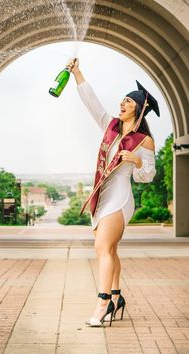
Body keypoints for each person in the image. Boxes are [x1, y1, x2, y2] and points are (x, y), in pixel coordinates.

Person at [67, 58, 159, 327]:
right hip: (101, 196)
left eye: (129, 102)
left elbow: (147, 177)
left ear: (140, 110)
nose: (122, 103)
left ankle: (103, 303)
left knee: (102, 248)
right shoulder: (110, 126)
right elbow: (92, 102)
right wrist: (78, 73)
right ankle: (117, 296)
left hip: (120, 199)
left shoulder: (144, 141)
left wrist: (138, 161)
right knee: (111, 250)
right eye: (122, 100)